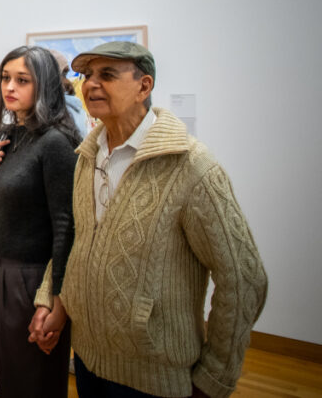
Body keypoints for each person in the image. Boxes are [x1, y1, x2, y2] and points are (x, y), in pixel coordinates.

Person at [29, 42, 267, 398]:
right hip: (89, 362)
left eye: (107, 74)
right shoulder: (87, 157)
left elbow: (244, 277)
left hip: (155, 379)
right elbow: (78, 239)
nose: (91, 84)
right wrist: (51, 297)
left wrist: (215, 376)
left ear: (144, 86)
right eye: (87, 75)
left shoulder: (191, 167)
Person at [0, 45, 82, 397]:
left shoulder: (55, 142)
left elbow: (67, 227)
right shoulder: (8, 136)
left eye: (22, 80)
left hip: (33, 279)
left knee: (35, 379)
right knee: (10, 377)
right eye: (5, 78)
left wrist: (55, 298)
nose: (9, 87)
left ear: (44, 85)